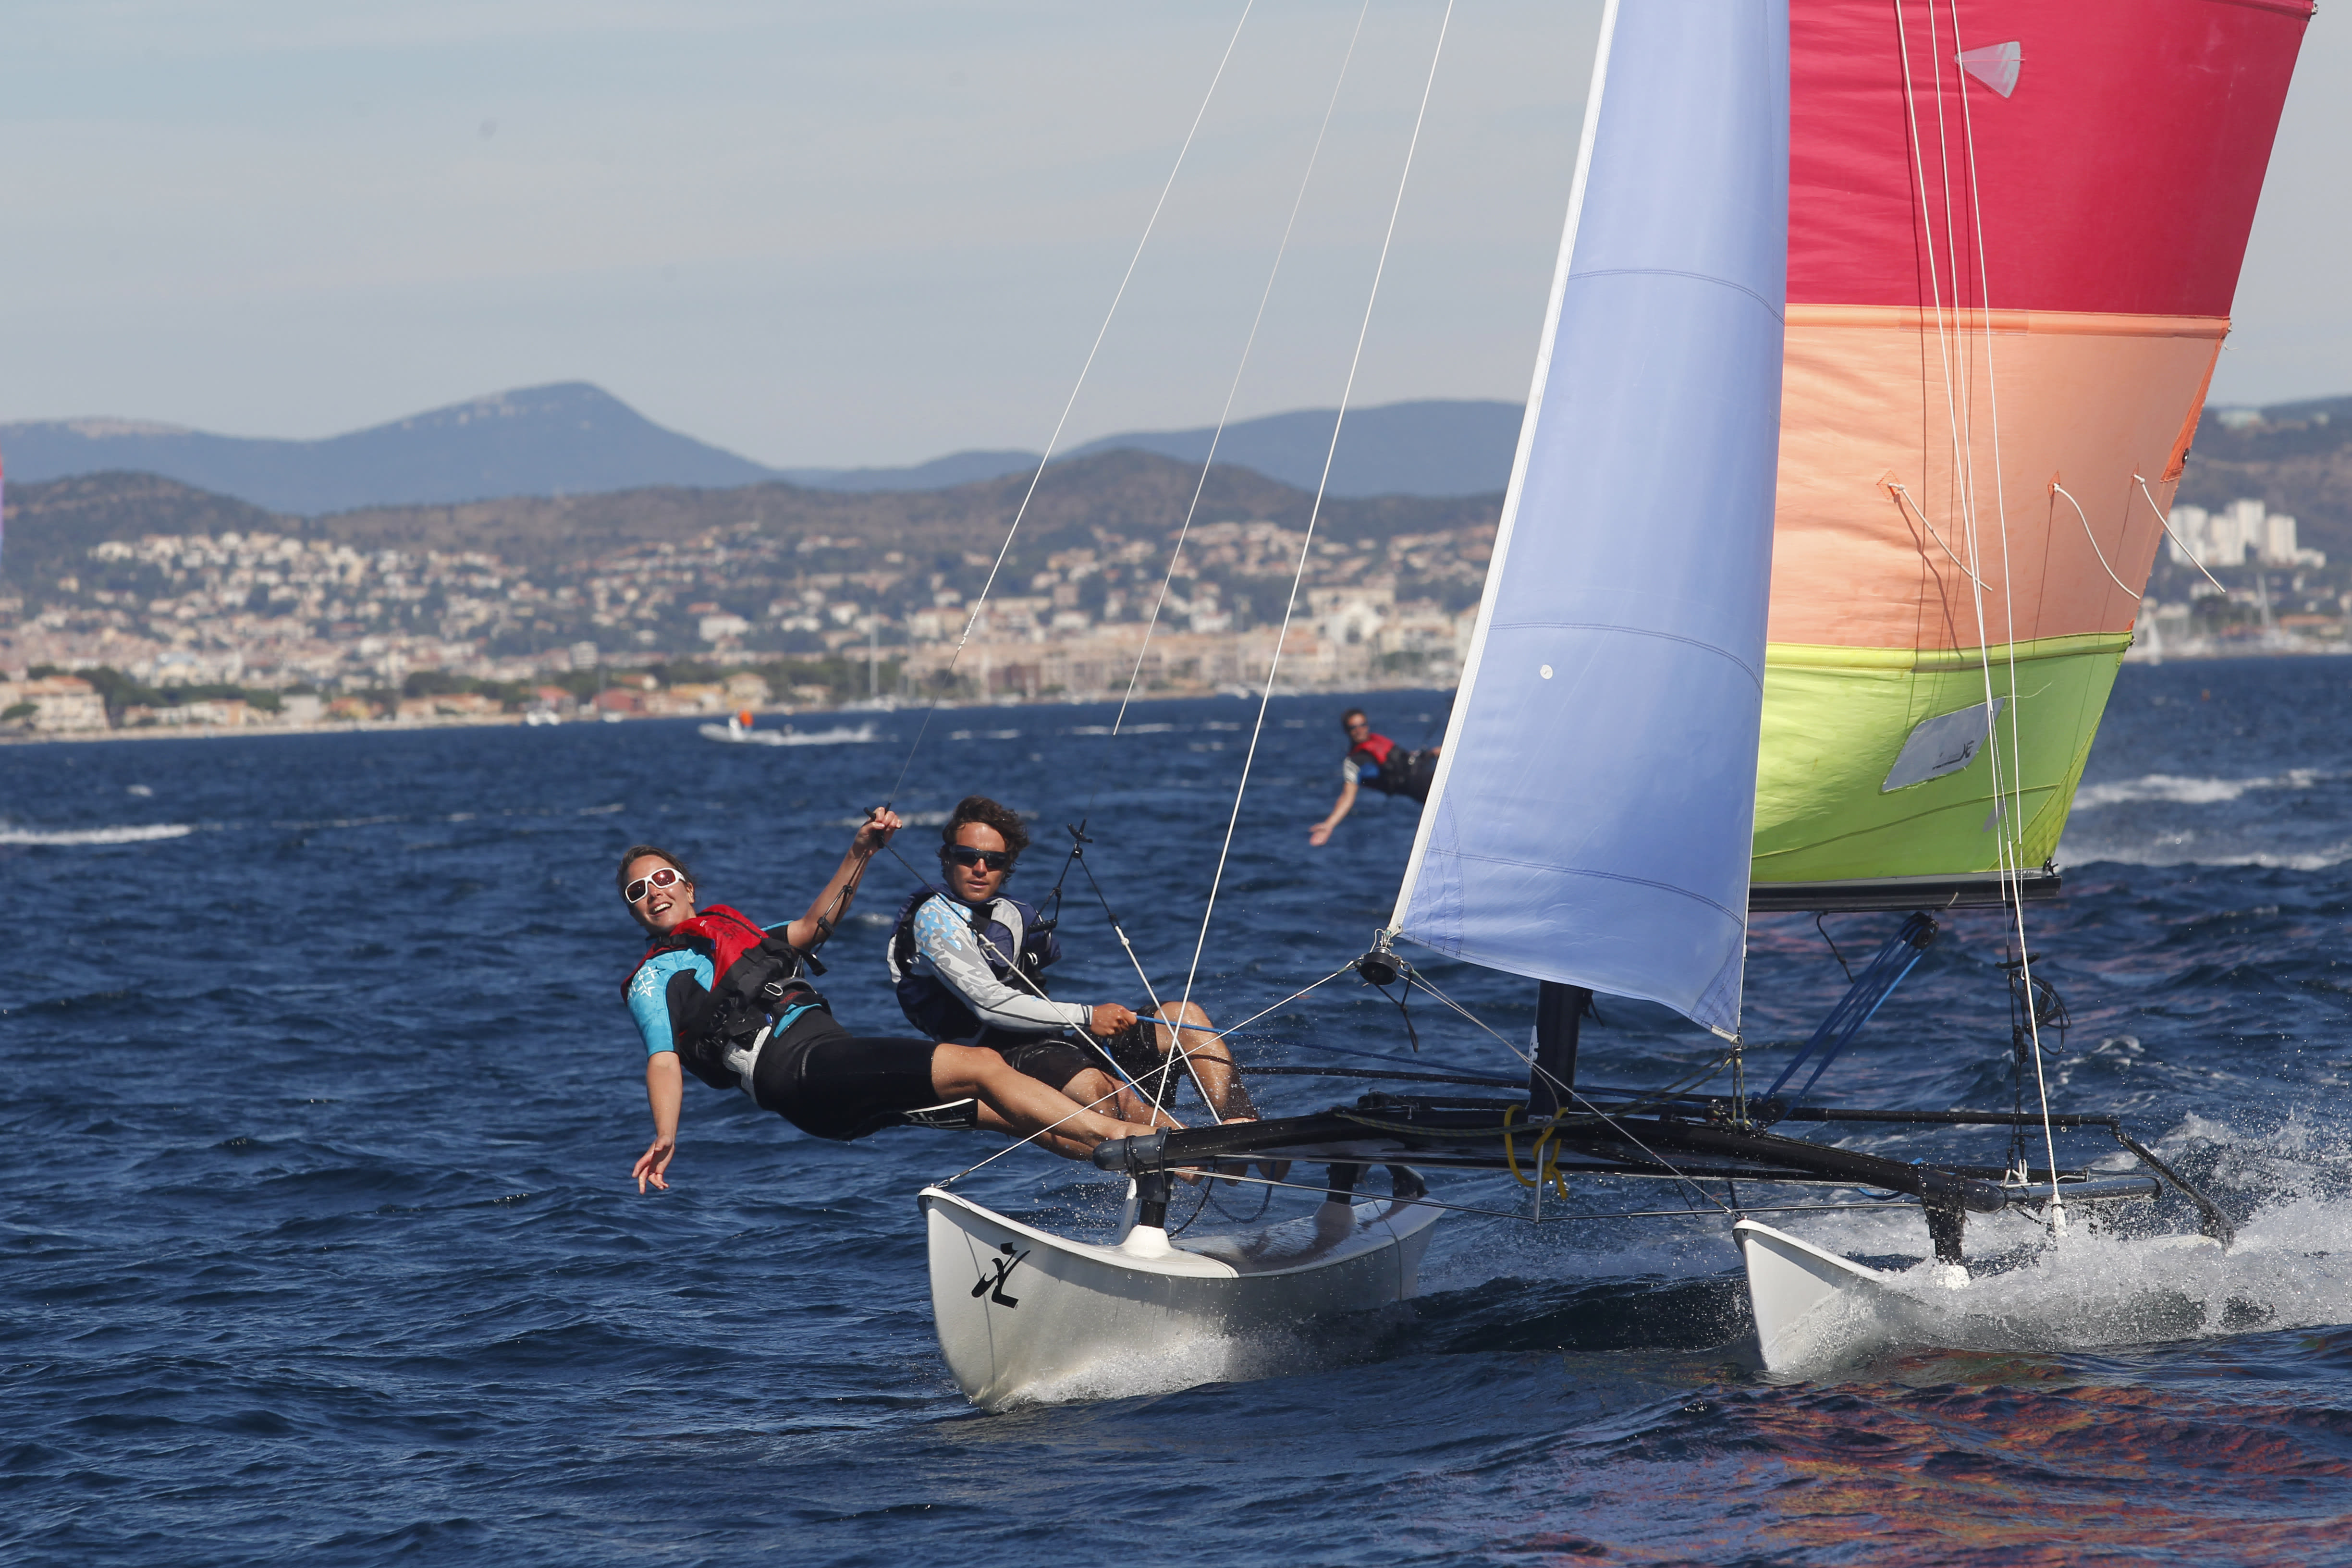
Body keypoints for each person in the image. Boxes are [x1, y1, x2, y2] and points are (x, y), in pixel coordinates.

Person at [618, 812, 1161, 1193]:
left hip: (833, 1094)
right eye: (637, 892)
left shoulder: (741, 936)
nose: (653, 893)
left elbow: (814, 926)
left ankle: (1165, 1163)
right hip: (800, 1071)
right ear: (634, 912)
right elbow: (663, 1059)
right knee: (980, 1064)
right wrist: (667, 1134)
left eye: (661, 879)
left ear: (688, 886)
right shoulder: (654, 977)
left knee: (1012, 1114)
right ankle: (1129, 1139)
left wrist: (862, 851)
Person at [886, 795, 1259, 1128]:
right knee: (1102, 1090)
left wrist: (1086, 1023)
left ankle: (1245, 1129)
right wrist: (1088, 1016)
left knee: (1185, 1018)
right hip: (998, 1060)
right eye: (969, 857)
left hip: (1054, 1042)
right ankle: (1192, 1146)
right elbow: (988, 1004)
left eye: (994, 861)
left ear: (1007, 865)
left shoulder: (1008, 913)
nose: (981, 868)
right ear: (948, 858)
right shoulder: (935, 919)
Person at [1309, 708, 1440, 846]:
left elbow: (1406, 760)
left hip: (1430, 774)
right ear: (1347, 731)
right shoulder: (1354, 763)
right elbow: (1347, 796)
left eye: (1362, 725)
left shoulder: (1377, 741)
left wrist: (1431, 753)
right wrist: (1329, 824)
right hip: (1424, 788)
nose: (1359, 730)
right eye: (1353, 727)